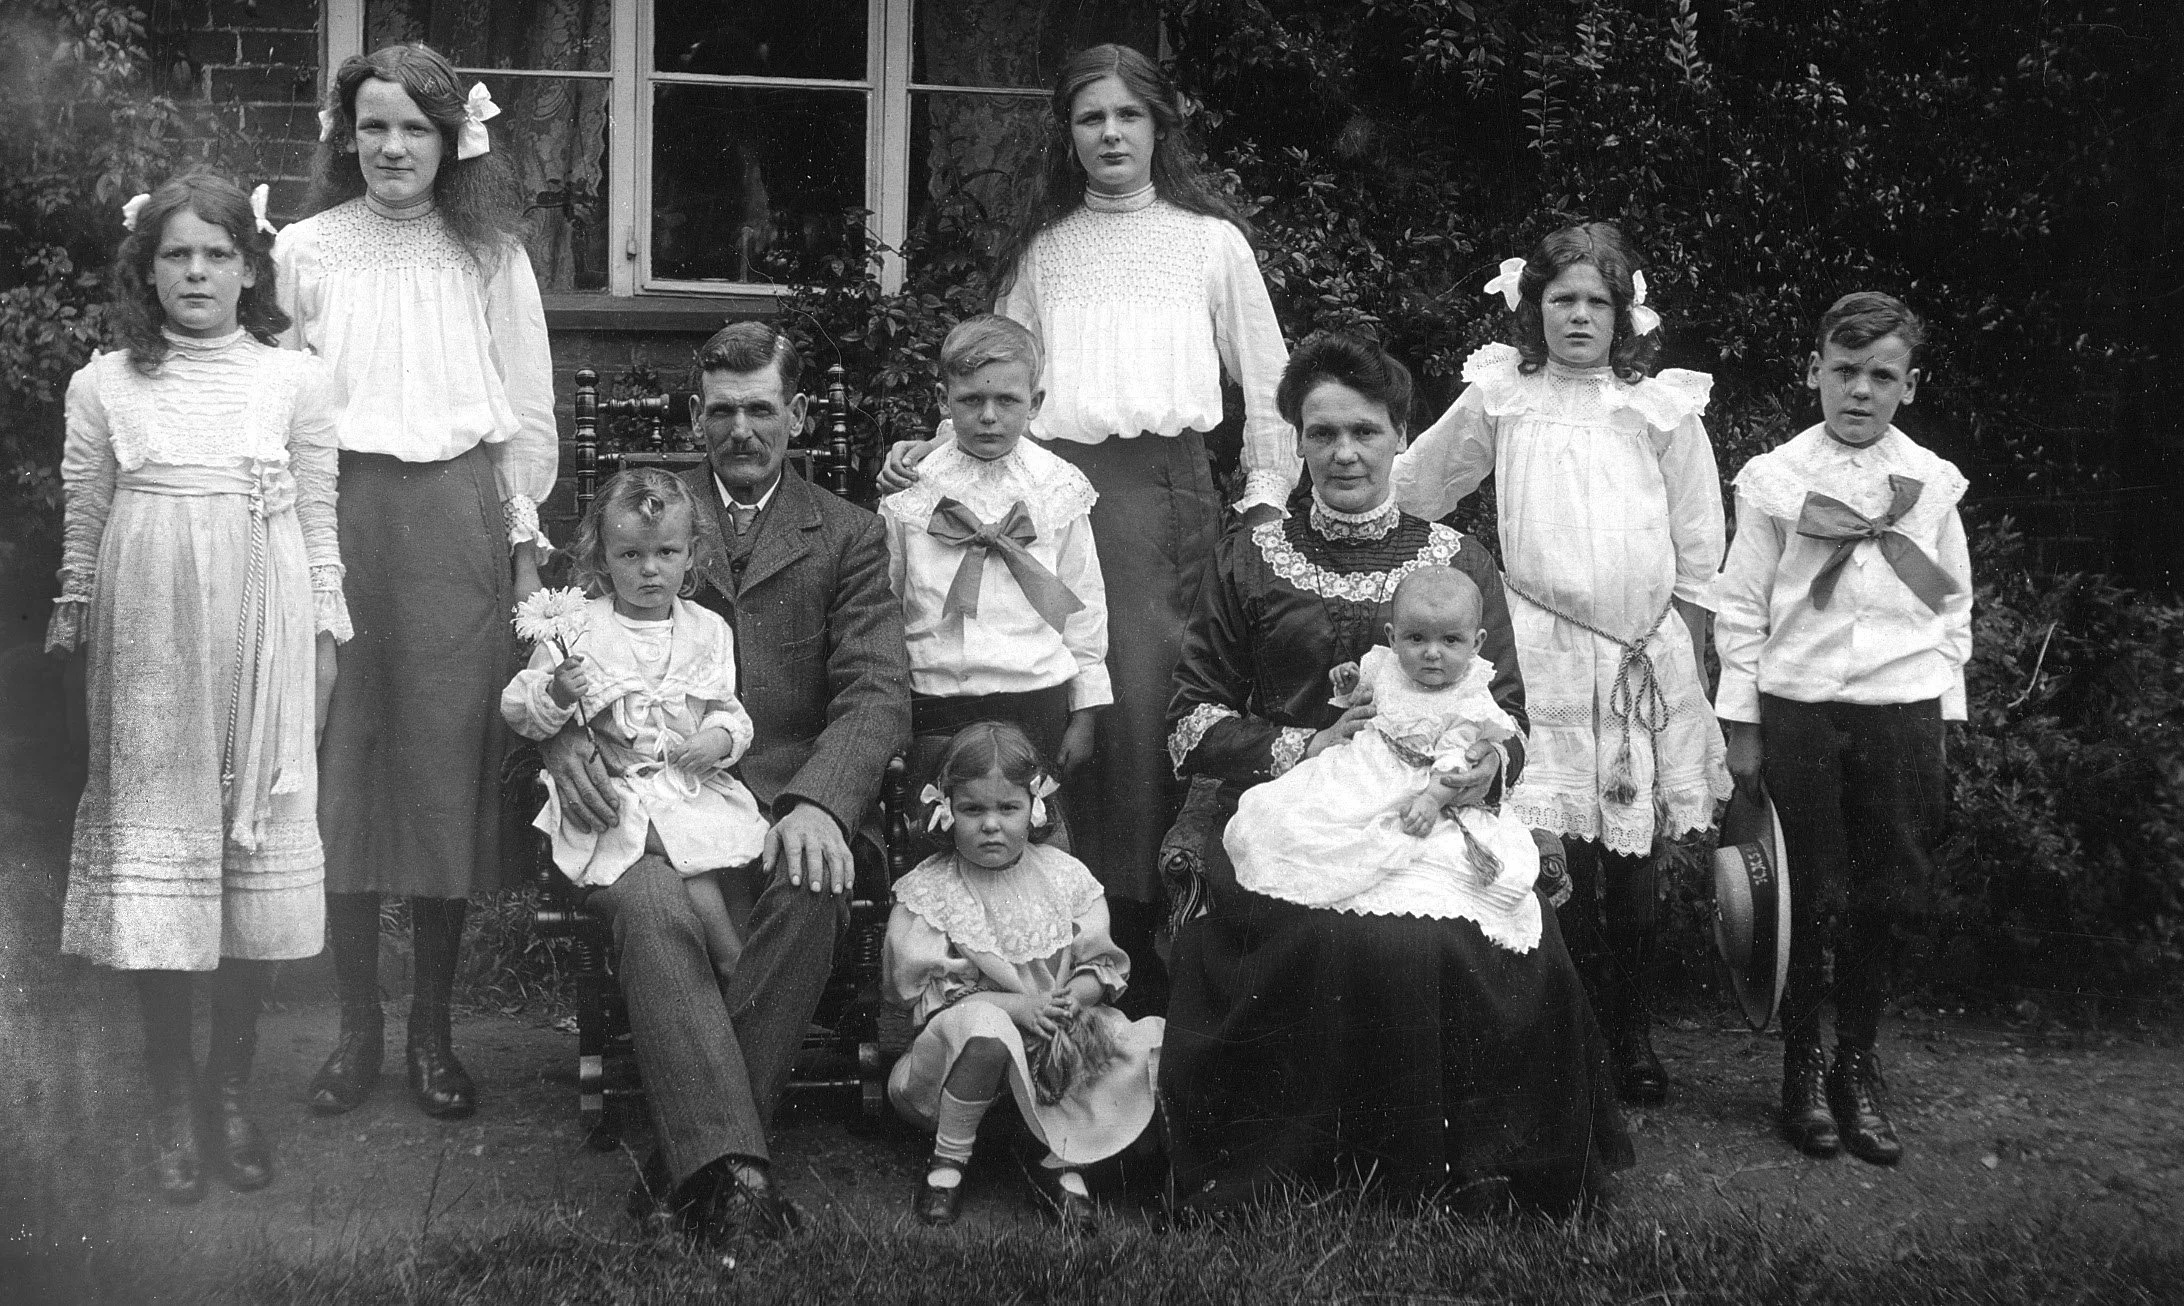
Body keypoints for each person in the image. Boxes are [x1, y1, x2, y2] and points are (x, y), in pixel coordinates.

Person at [1163, 331, 1630, 1215]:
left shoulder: (1457, 561)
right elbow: (1189, 722)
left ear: (1399, 436)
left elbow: (1514, 716)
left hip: (1436, 805)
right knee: (1313, 936)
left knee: (1460, 935)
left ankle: (1468, 1168)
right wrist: (1305, 747)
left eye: (1366, 432)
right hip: (1295, 805)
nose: (1344, 453)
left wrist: (1473, 771)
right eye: (1322, 432)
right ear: (1296, 442)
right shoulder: (1250, 556)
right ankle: (1299, 1168)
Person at [879, 44, 1294, 992]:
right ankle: (1058, 936)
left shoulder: (1208, 242)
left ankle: (1158, 951)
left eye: (1128, 116)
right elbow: (997, 385)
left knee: (1147, 714)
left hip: (1163, 504)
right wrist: (927, 454)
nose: (1110, 134)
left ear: (1159, 127)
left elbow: (1268, 384)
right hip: (1048, 502)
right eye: (1090, 118)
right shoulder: (1047, 251)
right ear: (1068, 137)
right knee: (1063, 709)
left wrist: (1264, 504)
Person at [541, 321, 910, 1243]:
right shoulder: (648, 518)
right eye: (720, 411)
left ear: (797, 413)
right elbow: (554, 655)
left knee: (816, 885)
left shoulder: (850, 536)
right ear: (694, 417)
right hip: (646, 802)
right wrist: (558, 746)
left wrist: (822, 800)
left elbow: (878, 687)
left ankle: (694, 1156)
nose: (740, 429)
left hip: (787, 793)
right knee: (651, 905)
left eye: (760, 409)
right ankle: (738, 1170)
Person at [47, 174, 349, 1201]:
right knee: (162, 861)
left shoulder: (294, 380)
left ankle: (231, 1090)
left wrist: (325, 633)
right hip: (150, 642)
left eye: (217, 255)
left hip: (262, 627)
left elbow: (318, 517)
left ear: (249, 266)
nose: (197, 272)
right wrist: (74, 612)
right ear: (147, 266)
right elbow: (85, 516)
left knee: (246, 855)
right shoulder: (106, 386)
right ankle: (172, 1097)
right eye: (176, 254)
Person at [279, 42, 556, 1120]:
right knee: (343, 766)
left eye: (417, 129)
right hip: (335, 509)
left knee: (443, 766)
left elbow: (527, 408)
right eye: (376, 126)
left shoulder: (487, 254)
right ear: (348, 136)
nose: (395, 147)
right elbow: (277, 395)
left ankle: (434, 1036)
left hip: (456, 519)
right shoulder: (303, 250)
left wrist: (525, 544)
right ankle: (358, 1028)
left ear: (452, 141)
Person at [1393, 222, 1730, 1105]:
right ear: (1531, 308)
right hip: (1538, 646)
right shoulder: (1503, 398)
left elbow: (1699, 545)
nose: (1579, 316)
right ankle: (1562, 1026)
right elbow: (1421, 489)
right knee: (1548, 841)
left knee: (1633, 847)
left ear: (1626, 316)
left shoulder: (1660, 409)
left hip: (1640, 655)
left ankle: (1634, 1032)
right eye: (1562, 300)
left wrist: (1685, 647)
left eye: (1597, 302)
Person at [1708, 292, 1971, 1167]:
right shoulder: (1777, 479)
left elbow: (1951, 603)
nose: (1860, 391)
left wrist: (1944, 711)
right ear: (1814, 371)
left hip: (1902, 710)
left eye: (1881, 376)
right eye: (1844, 371)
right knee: (1810, 893)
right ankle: (1803, 1067)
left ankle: (1858, 1064)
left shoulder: (1929, 482)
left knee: (1888, 891)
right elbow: (1741, 610)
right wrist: (1743, 727)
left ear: (1908, 383)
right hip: (1801, 710)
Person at [883, 722, 1162, 1234]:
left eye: (1007, 809)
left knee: (1135, 1043)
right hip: (963, 1047)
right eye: (972, 810)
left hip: (1055, 1027)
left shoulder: (1063, 877)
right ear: (946, 811)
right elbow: (931, 1000)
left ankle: (1058, 1159)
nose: (991, 825)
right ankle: (948, 1162)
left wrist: (1072, 999)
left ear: (1033, 809)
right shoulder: (934, 891)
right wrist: (1017, 1009)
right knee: (987, 1031)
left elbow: (1101, 964)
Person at [501, 468, 768, 982]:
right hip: (619, 795)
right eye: (630, 556)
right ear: (602, 557)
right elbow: (519, 706)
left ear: (690, 553)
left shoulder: (708, 630)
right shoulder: (578, 627)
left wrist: (717, 738)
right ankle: (733, 960)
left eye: (666, 553)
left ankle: (737, 973)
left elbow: (727, 710)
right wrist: (557, 693)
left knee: (733, 865)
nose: (650, 570)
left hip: (688, 786)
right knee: (695, 861)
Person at [1223, 568, 1543, 953]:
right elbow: (1363, 695)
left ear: (1476, 643)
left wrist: (1431, 799)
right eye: (1416, 638)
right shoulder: (1387, 664)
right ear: (1393, 638)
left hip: (1420, 785)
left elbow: (1456, 761)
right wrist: (1348, 684)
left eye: (1450, 640)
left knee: (1407, 860)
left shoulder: (1470, 700)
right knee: (1297, 820)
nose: (1431, 652)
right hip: (1363, 769)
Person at [879, 314, 1108, 799]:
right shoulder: (912, 488)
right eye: (970, 400)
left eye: (1007, 400)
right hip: (939, 702)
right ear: (944, 400)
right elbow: (887, 599)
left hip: (1036, 700)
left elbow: (1085, 609)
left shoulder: (1057, 486)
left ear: (1035, 403)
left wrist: (1084, 712)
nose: (988, 416)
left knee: (1031, 834)